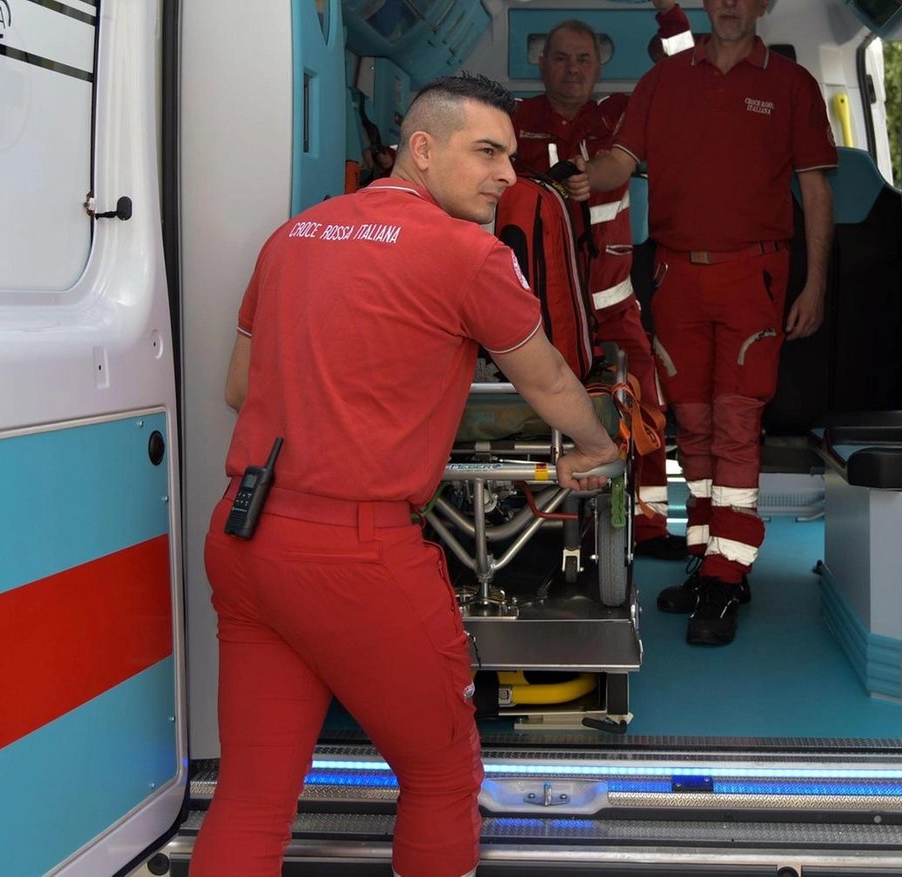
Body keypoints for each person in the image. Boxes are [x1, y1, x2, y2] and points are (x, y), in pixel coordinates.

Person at [195, 72, 621, 877]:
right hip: (356, 559)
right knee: (442, 774)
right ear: (421, 149)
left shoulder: (295, 235)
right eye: (487, 152)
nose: (506, 174)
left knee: (252, 796)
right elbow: (550, 383)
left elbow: (239, 388)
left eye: (513, 156)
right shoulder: (469, 253)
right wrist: (600, 446)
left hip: (247, 539)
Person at [575, 0, 837, 647]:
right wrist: (583, 176)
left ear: (764, 5)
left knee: (735, 423)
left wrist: (817, 283)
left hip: (754, 275)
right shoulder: (662, 83)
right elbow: (620, 160)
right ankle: (707, 557)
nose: (728, 5)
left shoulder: (791, 87)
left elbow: (817, 191)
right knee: (691, 425)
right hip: (675, 274)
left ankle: (727, 574)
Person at [513, 1, 692, 560]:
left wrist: (671, 15)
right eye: (560, 58)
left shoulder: (620, 117)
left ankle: (652, 524)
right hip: (535, 309)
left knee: (647, 405)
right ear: (542, 66)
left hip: (612, 304)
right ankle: (533, 516)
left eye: (583, 58)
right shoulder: (511, 123)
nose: (571, 68)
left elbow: (683, 72)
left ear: (598, 66)